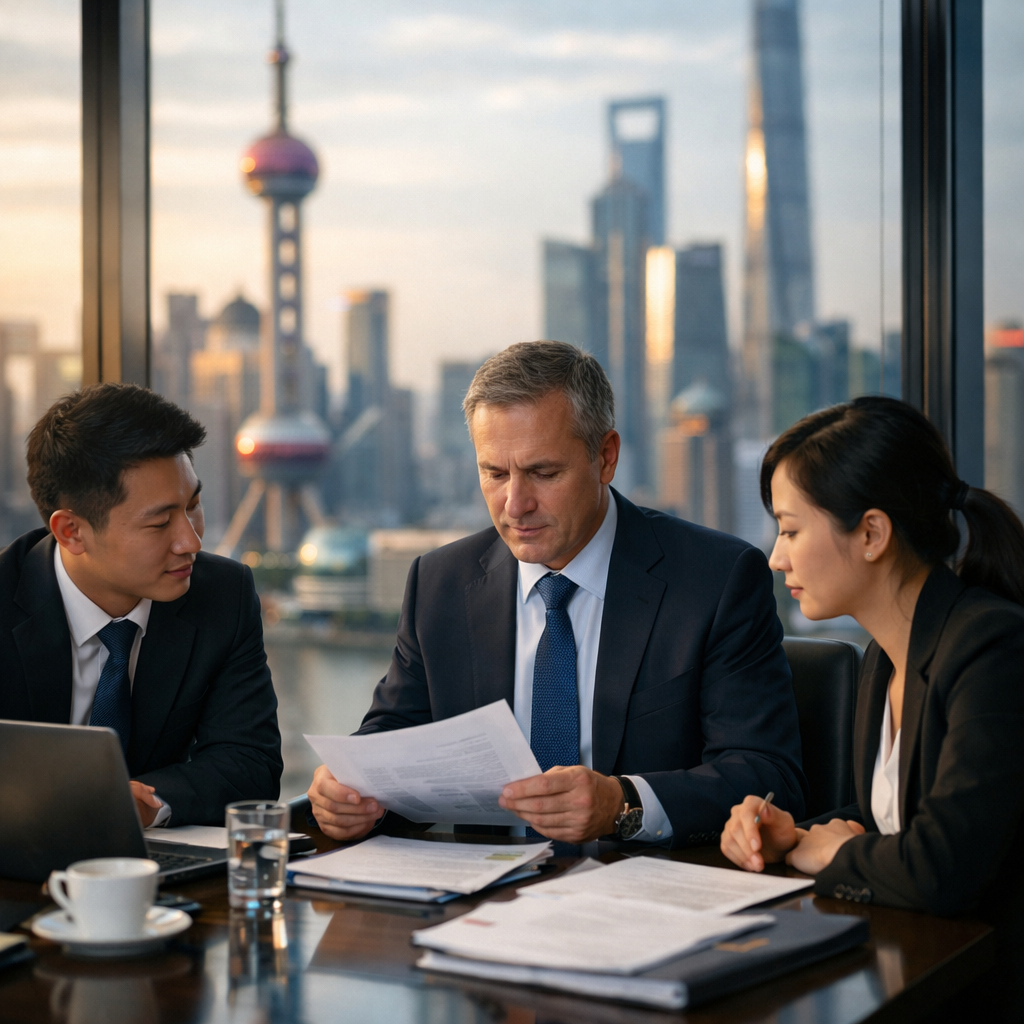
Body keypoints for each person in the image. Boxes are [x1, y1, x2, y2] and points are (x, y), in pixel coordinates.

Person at [309, 341, 806, 844]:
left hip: (646, 897)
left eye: (543, 473)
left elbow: (766, 777)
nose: (515, 503)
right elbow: (394, 736)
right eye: (494, 474)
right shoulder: (440, 583)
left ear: (606, 457)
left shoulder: (715, 580)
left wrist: (624, 803)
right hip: (481, 905)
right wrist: (350, 793)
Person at [719, 396, 1024, 992]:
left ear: (871, 533)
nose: (777, 557)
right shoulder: (883, 655)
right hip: (919, 970)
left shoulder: (992, 648)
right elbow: (888, 818)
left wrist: (828, 856)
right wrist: (795, 835)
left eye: (790, 530)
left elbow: (941, 867)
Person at [0, 383, 282, 826]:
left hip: (155, 865)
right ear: (71, 531)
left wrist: (145, 805)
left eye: (194, 506)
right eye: (159, 523)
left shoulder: (222, 595)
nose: (191, 540)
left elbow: (250, 765)